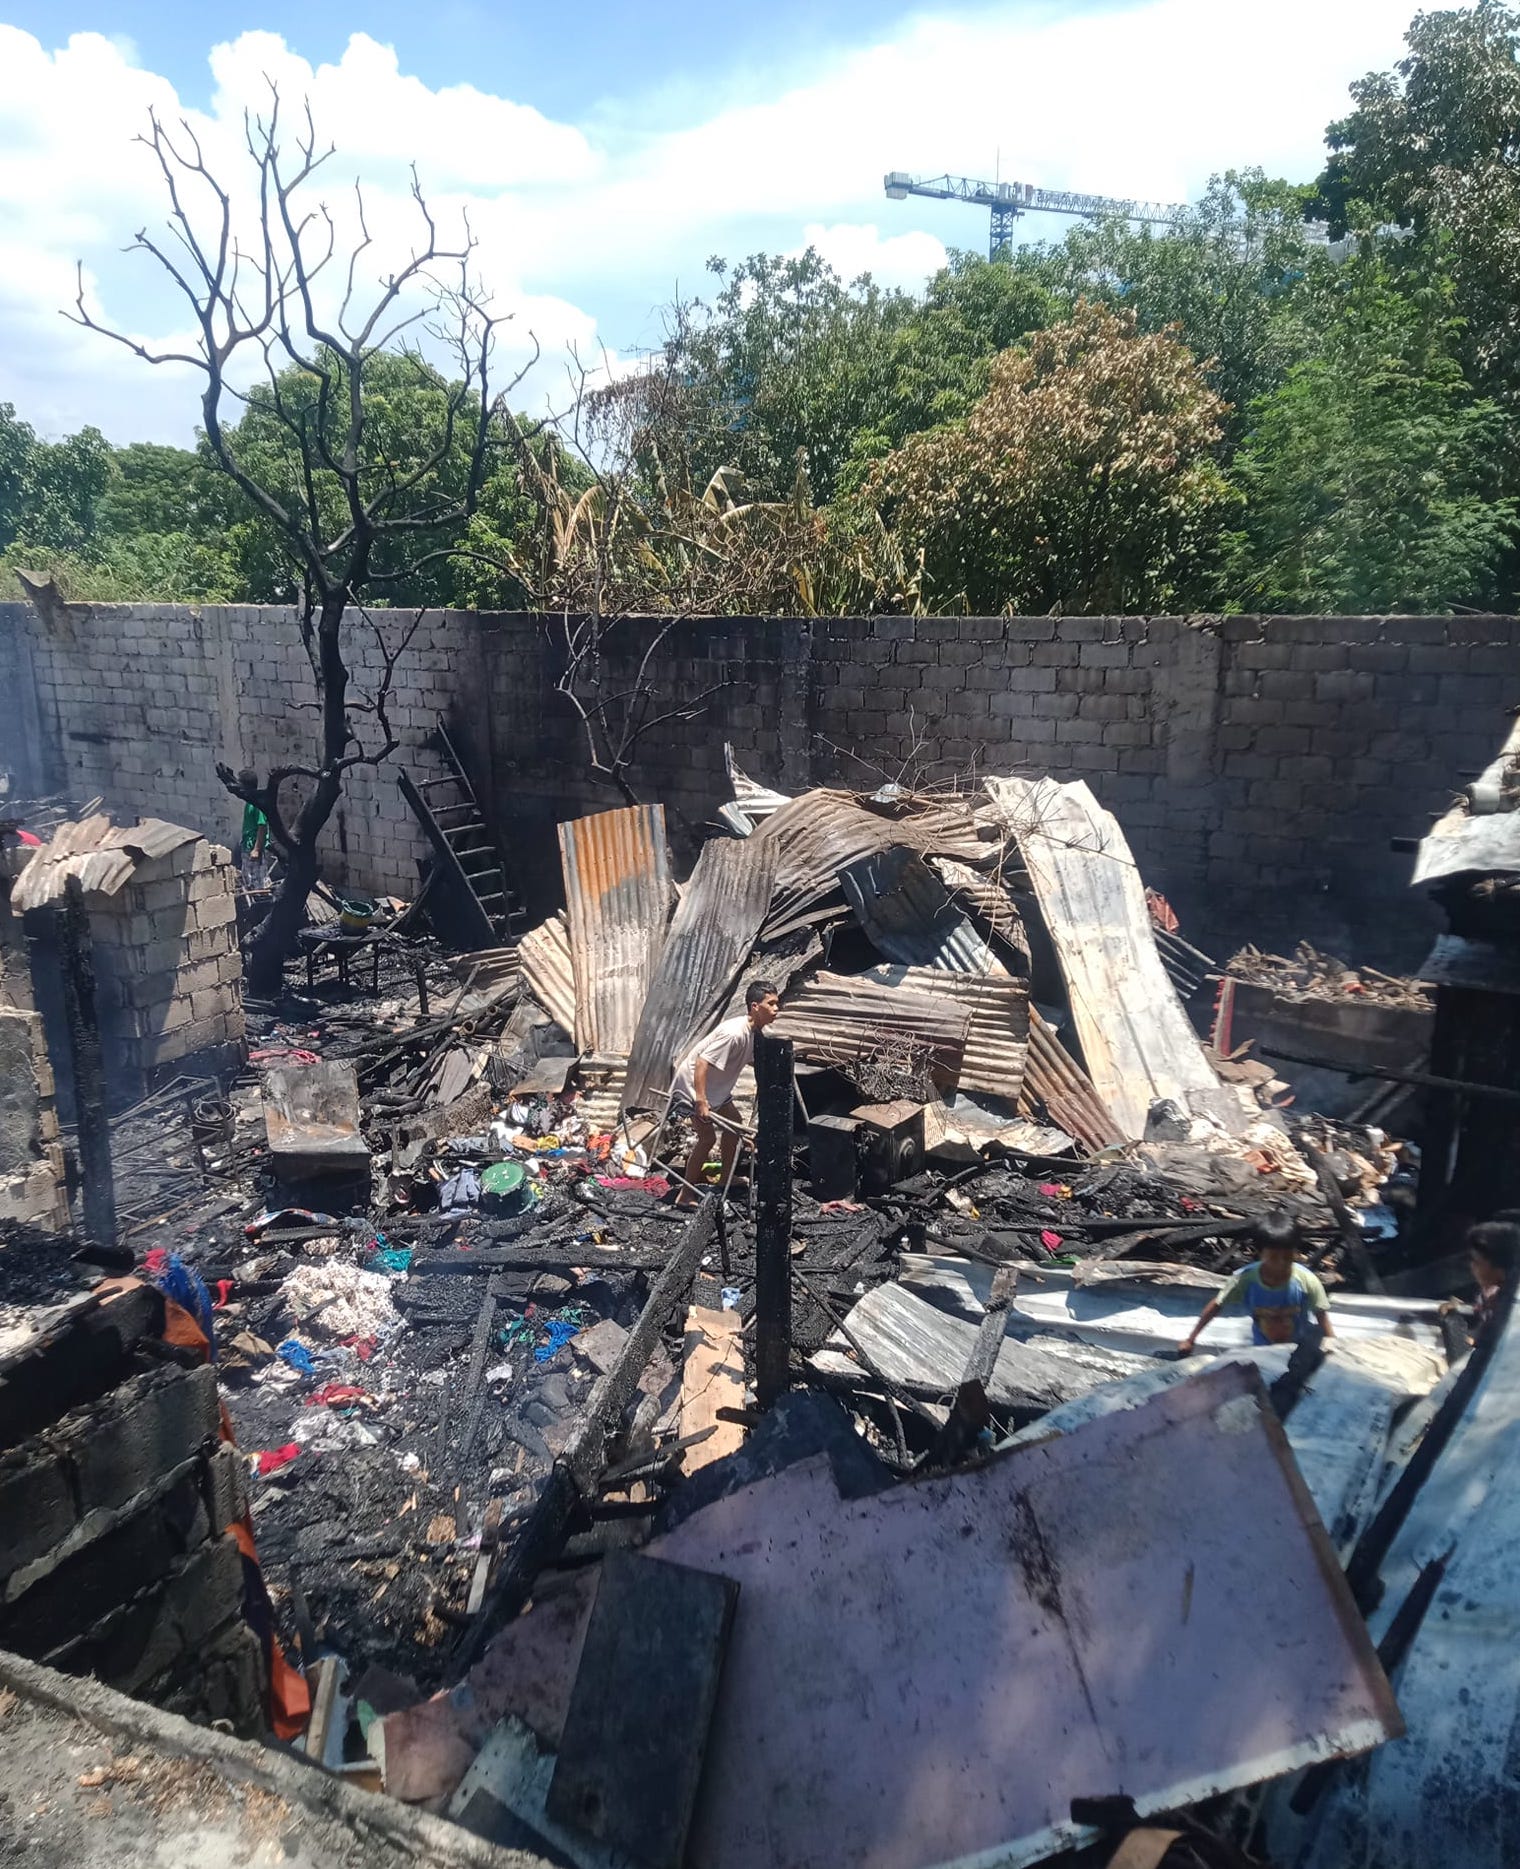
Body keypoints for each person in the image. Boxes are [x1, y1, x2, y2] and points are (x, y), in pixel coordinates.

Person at [670, 981, 780, 1208]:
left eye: (777, 1004)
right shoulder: (733, 1033)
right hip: (693, 1088)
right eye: (771, 1004)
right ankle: (685, 1195)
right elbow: (702, 1062)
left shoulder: (754, 1033)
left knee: (735, 1127)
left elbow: (749, 1060)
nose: (776, 1009)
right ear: (755, 1006)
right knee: (707, 1138)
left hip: (717, 1089)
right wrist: (700, 1100)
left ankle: (725, 1178)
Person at [1177, 1213, 1334, 1355]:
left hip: (1299, 1350)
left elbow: (1321, 1314)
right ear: (1259, 1253)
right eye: (1273, 1257)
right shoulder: (1245, 1279)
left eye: (1287, 1257)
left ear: (1295, 1253)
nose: (1280, 1263)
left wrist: (1332, 1346)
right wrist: (1191, 1339)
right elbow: (1217, 1305)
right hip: (1261, 1350)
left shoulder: (1306, 1280)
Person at [1464, 1221, 1520, 1341]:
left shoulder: (1513, 1310)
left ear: (1500, 1268)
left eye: (1476, 1261)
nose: (1472, 1266)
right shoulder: (1491, 1299)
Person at [236, 769, 269, 889]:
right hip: (247, 845)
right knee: (248, 877)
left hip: (253, 847)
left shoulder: (257, 803)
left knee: (258, 879)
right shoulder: (249, 802)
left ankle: (263, 901)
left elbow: (262, 826)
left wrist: (256, 849)